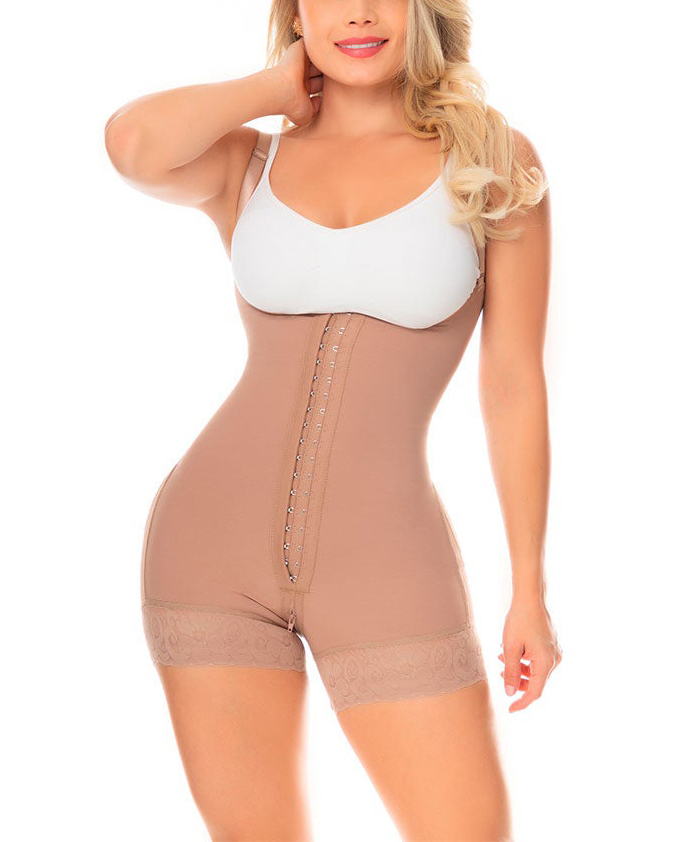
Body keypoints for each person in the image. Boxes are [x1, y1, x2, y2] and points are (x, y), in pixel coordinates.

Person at [104, 1, 561, 839]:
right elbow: (131, 143)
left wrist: (527, 588)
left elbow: (512, 386)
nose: (358, 13)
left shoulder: (491, 162)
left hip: (386, 561)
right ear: (297, 13)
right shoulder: (250, 162)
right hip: (208, 550)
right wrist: (275, 87)